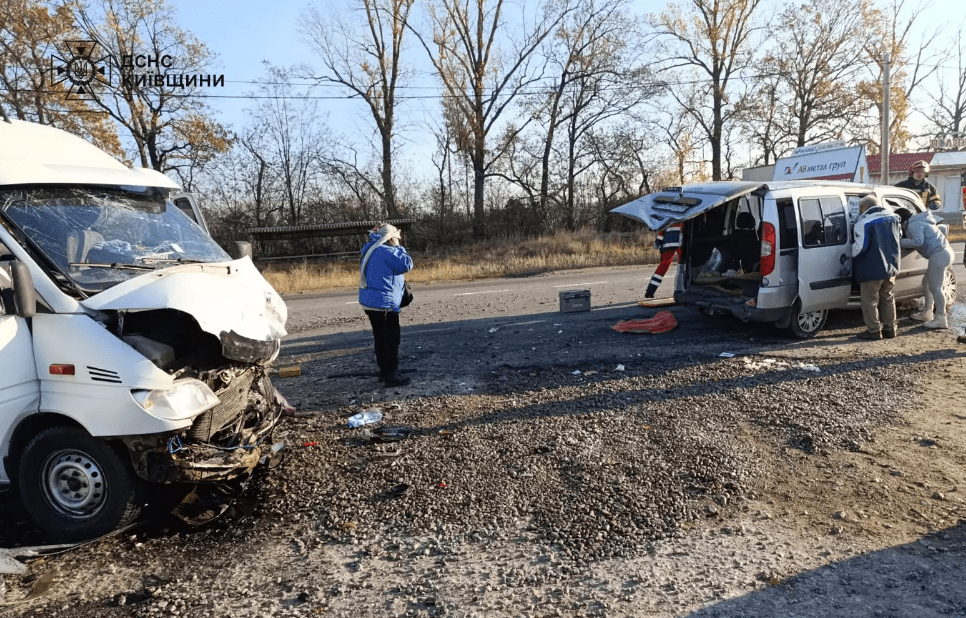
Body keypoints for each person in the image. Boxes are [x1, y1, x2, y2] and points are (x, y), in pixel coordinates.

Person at [359, 223, 414, 386]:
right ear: (390, 238)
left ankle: (384, 371)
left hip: (371, 303)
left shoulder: (369, 247)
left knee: (380, 338)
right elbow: (407, 264)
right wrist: (399, 248)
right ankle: (391, 375)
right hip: (384, 304)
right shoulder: (388, 251)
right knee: (391, 339)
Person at [851, 195, 902, 340]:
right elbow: (899, 237)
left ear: (865, 208)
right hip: (891, 266)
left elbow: (860, 248)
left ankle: (873, 331)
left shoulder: (865, 223)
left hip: (871, 268)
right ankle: (890, 329)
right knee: (888, 297)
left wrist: (848, 251)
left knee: (870, 300)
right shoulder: (894, 218)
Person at [900, 207, 955, 329]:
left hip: (938, 254)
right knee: (927, 282)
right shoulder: (920, 221)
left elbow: (918, 241)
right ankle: (927, 313)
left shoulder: (913, 225)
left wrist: (898, 242)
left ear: (902, 221)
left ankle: (941, 318)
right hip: (945, 252)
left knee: (936, 287)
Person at [644, 222, 682, 299]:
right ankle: (681, 292)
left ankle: (650, 291)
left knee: (663, 267)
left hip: (668, 241)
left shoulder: (666, 212)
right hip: (681, 242)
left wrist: (658, 240)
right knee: (683, 267)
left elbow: (661, 227)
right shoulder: (686, 210)